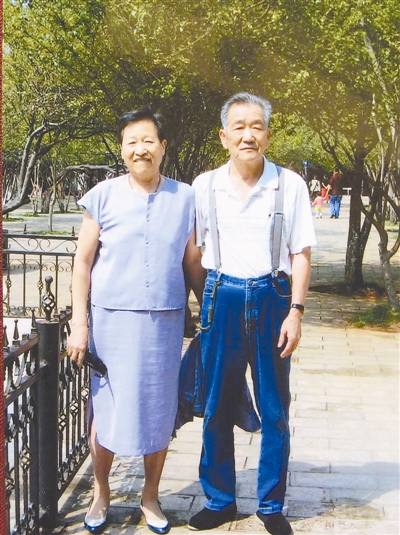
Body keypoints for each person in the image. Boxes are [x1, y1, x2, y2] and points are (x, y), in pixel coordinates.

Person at [67, 107, 202, 535]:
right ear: (122, 148)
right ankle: (101, 492)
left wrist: (208, 311)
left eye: (148, 141)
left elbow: (192, 261)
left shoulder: (186, 198)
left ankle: (150, 496)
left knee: (158, 412)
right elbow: (82, 262)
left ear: (163, 146)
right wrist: (79, 323)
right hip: (111, 322)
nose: (140, 149)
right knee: (107, 410)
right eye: (132, 142)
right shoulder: (102, 196)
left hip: (163, 323)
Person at [188, 93, 316, 535]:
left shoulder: (289, 185)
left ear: (268, 135)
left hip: (272, 296)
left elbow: (301, 253)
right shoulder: (204, 186)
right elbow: (194, 252)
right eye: (239, 126)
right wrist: (204, 303)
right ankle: (220, 500)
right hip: (221, 294)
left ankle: (271, 505)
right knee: (216, 404)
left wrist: (295, 311)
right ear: (224, 137)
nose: (248, 135)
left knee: (274, 407)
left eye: (256, 126)